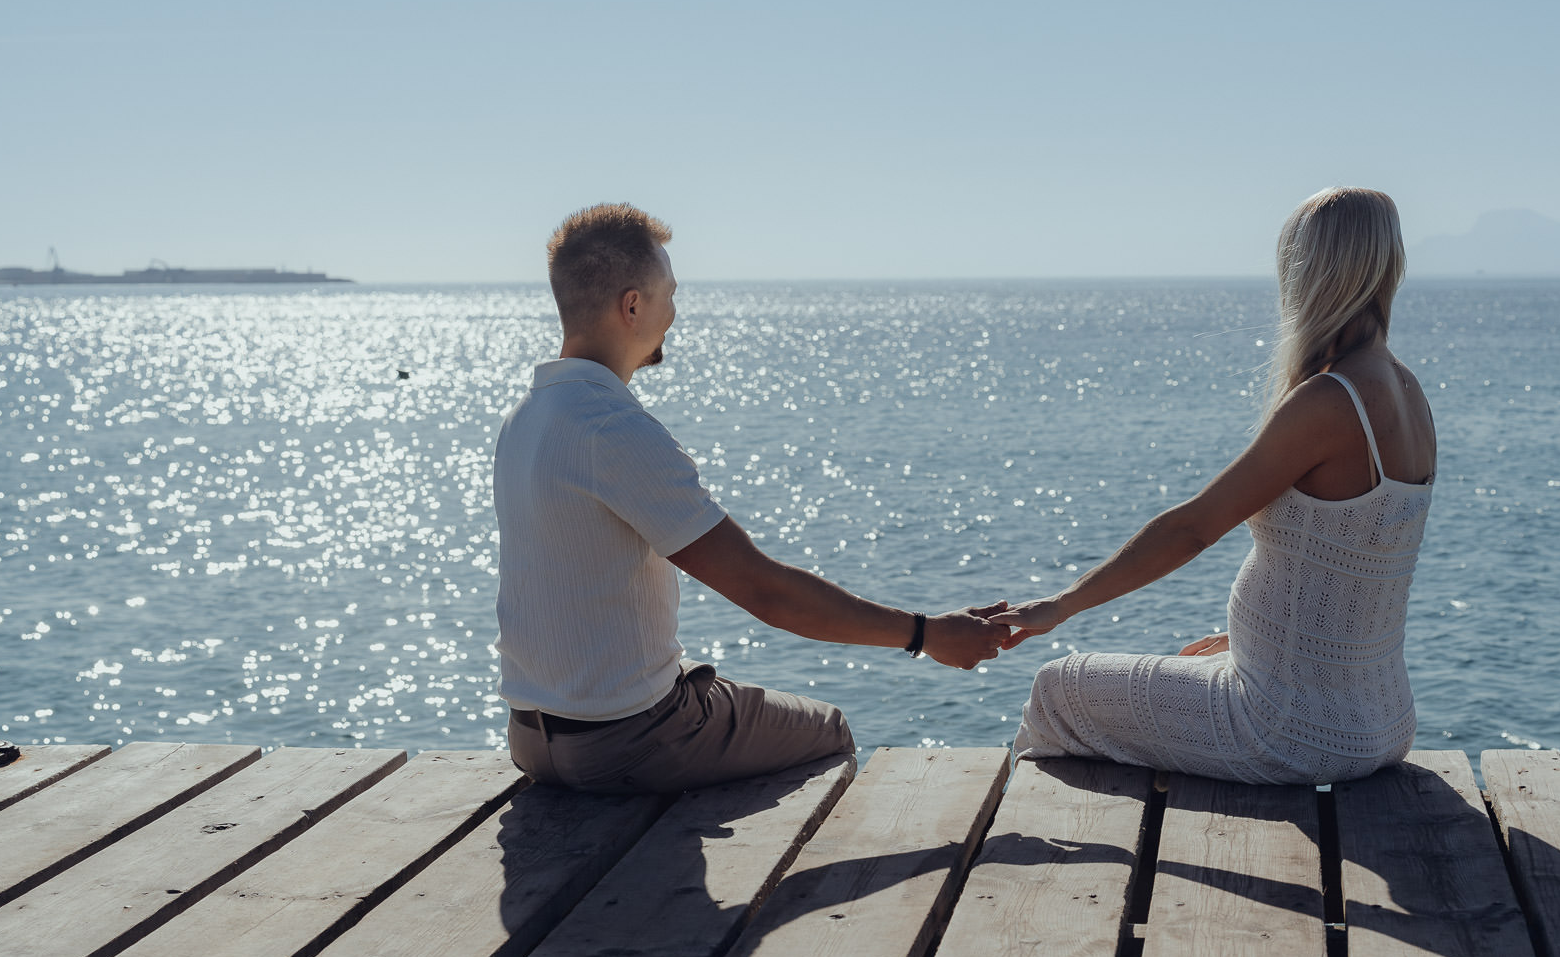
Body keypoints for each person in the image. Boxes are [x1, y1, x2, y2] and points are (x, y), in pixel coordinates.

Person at [495, 203, 1008, 795]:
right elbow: (766, 591)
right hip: (627, 742)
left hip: (531, 739)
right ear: (633, 306)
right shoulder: (613, 427)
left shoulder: (526, 417)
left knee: (699, 681)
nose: (674, 312)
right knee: (828, 730)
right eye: (670, 294)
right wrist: (926, 634)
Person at [993, 187, 1436, 784]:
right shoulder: (1407, 390)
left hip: (1288, 728)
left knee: (1057, 689)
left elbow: (1192, 528)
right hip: (1380, 722)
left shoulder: (1332, 399)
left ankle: (1031, 834)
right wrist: (1262, 643)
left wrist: (1061, 605)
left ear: (1309, 273)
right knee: (1181, 666)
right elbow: (1361, 565)